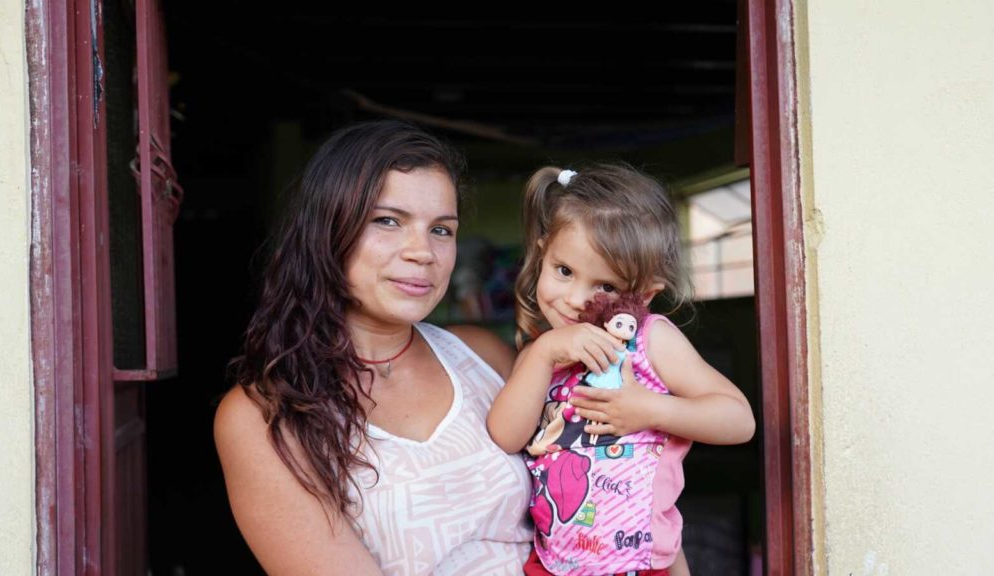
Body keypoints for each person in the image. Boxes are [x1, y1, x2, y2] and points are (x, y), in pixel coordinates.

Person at [214, 120, 532, 575]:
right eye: (387, 221)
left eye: (441, 230)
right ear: (328, 231)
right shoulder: (265, 416)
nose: (422, 251)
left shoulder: (483, 355)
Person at [486, 165, 756, 576]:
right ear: (541, 254)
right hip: (556, 565)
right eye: (564, 271)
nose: (576, 299)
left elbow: (739, 420)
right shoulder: (540, 356)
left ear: (644, 293)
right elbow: (506, 436)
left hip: (638, 563)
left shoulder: (649, 341)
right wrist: (542, 354)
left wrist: (649, 410)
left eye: (606, 287)